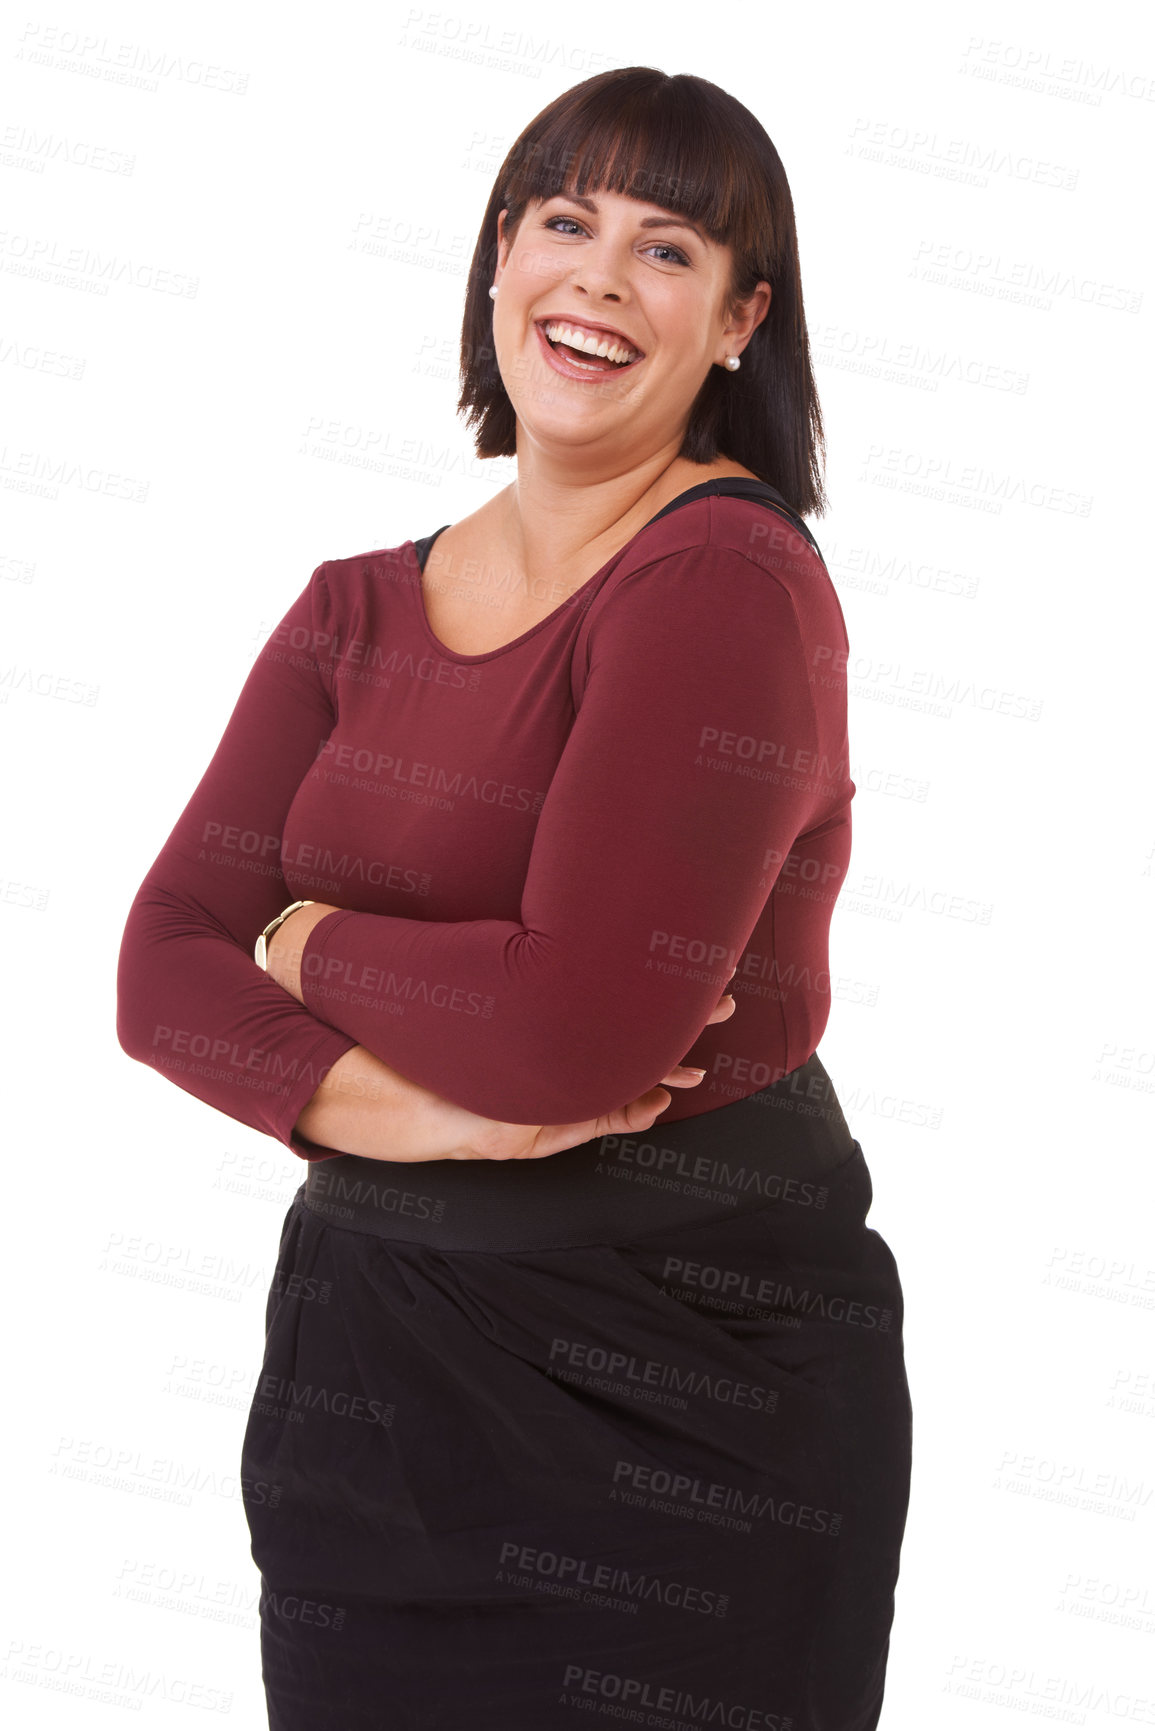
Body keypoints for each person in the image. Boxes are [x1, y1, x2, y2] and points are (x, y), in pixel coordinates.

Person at [116, 65, 913, 1731]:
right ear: (497, 261)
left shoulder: (721, 581)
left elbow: (564, 1037)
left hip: (688, 1394)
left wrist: (302, 938)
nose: (601, 281)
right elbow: (155, 971)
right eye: (566, 222)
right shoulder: (349, 608)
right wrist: (413, 1115)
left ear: (742, 321)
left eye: (670, 249)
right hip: (374, 1377)